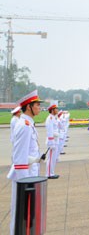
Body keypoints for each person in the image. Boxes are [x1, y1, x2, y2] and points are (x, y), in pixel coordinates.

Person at [8, 90, 44, 235]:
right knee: (23, 213)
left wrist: (36, 159)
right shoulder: (25, 126)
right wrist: (25, 183)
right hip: (25, 176)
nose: (39, 108)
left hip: (30, 173)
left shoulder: (27, 123)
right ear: (29, 107)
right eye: (37, 105)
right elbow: (19, 159)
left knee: (26, 213)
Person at [45, 100, 60, 179]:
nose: (57, 110)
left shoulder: (54, 118)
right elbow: (50, 131)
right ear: (52, 110)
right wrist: (51, 142)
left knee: (53, 158)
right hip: (52, 141)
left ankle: (52, 172)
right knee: (50, 158)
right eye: (56, 109)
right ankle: (49, 174)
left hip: (55, 140)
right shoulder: (50, 118)